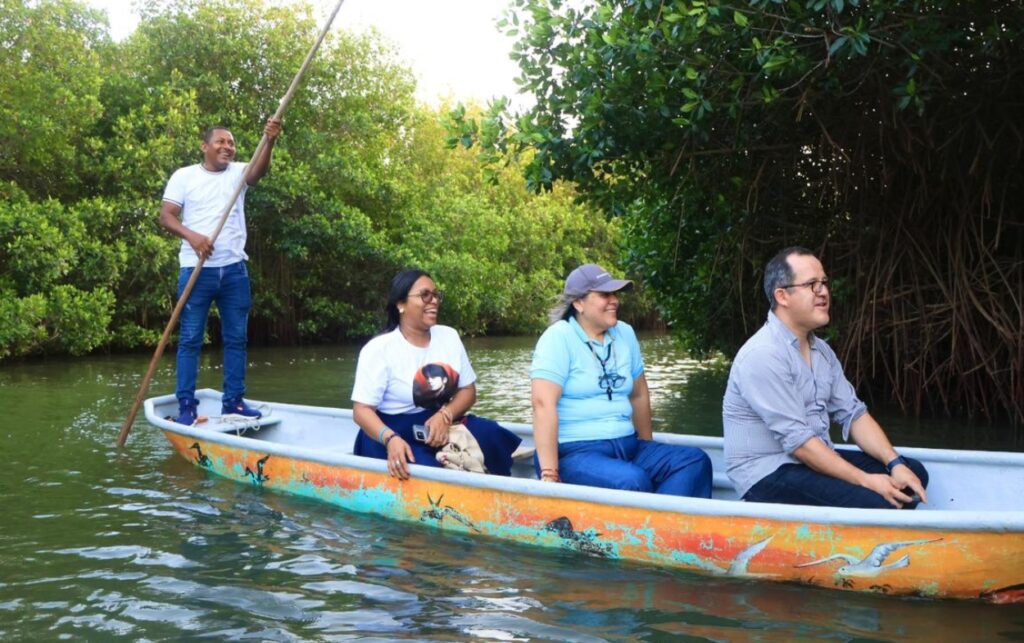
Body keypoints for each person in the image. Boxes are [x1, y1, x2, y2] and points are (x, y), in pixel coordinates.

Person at [722, 246, 929, 509]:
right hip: (766, 473)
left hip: (808, 460)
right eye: (811, 284)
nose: (823, 292)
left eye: (824, 283)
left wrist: (894, 463)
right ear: (782, 296)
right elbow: (799, 444)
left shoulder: (822, 351)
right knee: (880, 498)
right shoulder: (762, 354)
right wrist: (866, 480)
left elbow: (854, 414)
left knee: (913, 474)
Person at [530, 263, 713, 496]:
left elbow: (638, 394)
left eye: (615, 294)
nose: (614, 300)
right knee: (632, 480)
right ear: (578, 303)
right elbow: (542, 405)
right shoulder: (558, 338)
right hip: (574, 453)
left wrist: (646, 444)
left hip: (628, 445)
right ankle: (655, 528)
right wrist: (549, 474)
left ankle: (660, 530)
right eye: (604, 295)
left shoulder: (625, 334)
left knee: (694, 461)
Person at [159, 118, 282, 426]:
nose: (228, 147)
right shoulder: (184, 176)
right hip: (196, 270)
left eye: (231, 143)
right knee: (189, 339)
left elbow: (258, 172)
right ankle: (187, 405)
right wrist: (193, 237)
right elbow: (166, 216)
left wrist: (269, 141)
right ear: (205, 147)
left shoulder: (239, 172)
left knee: (237, 338)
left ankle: (234, 403)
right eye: (221, 142)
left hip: (234, 270)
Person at [351, 269, 522, 480]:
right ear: (400, 304)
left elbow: (468, 391)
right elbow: (361, 411)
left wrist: (445, 415)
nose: (433, 301)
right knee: (428, 471)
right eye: (425, 295)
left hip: (439, 422)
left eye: (436, 295)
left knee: (492, 433)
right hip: (391, 431)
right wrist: (390, 439)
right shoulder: (379, 349)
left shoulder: (449, 336)